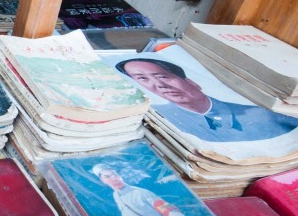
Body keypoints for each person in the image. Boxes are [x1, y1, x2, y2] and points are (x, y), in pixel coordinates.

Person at [116, 57, 298, 143]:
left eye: (163, 77)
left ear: (191, 82)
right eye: (143, 79)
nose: (159, 85)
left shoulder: (262, 115)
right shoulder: (158, 119)